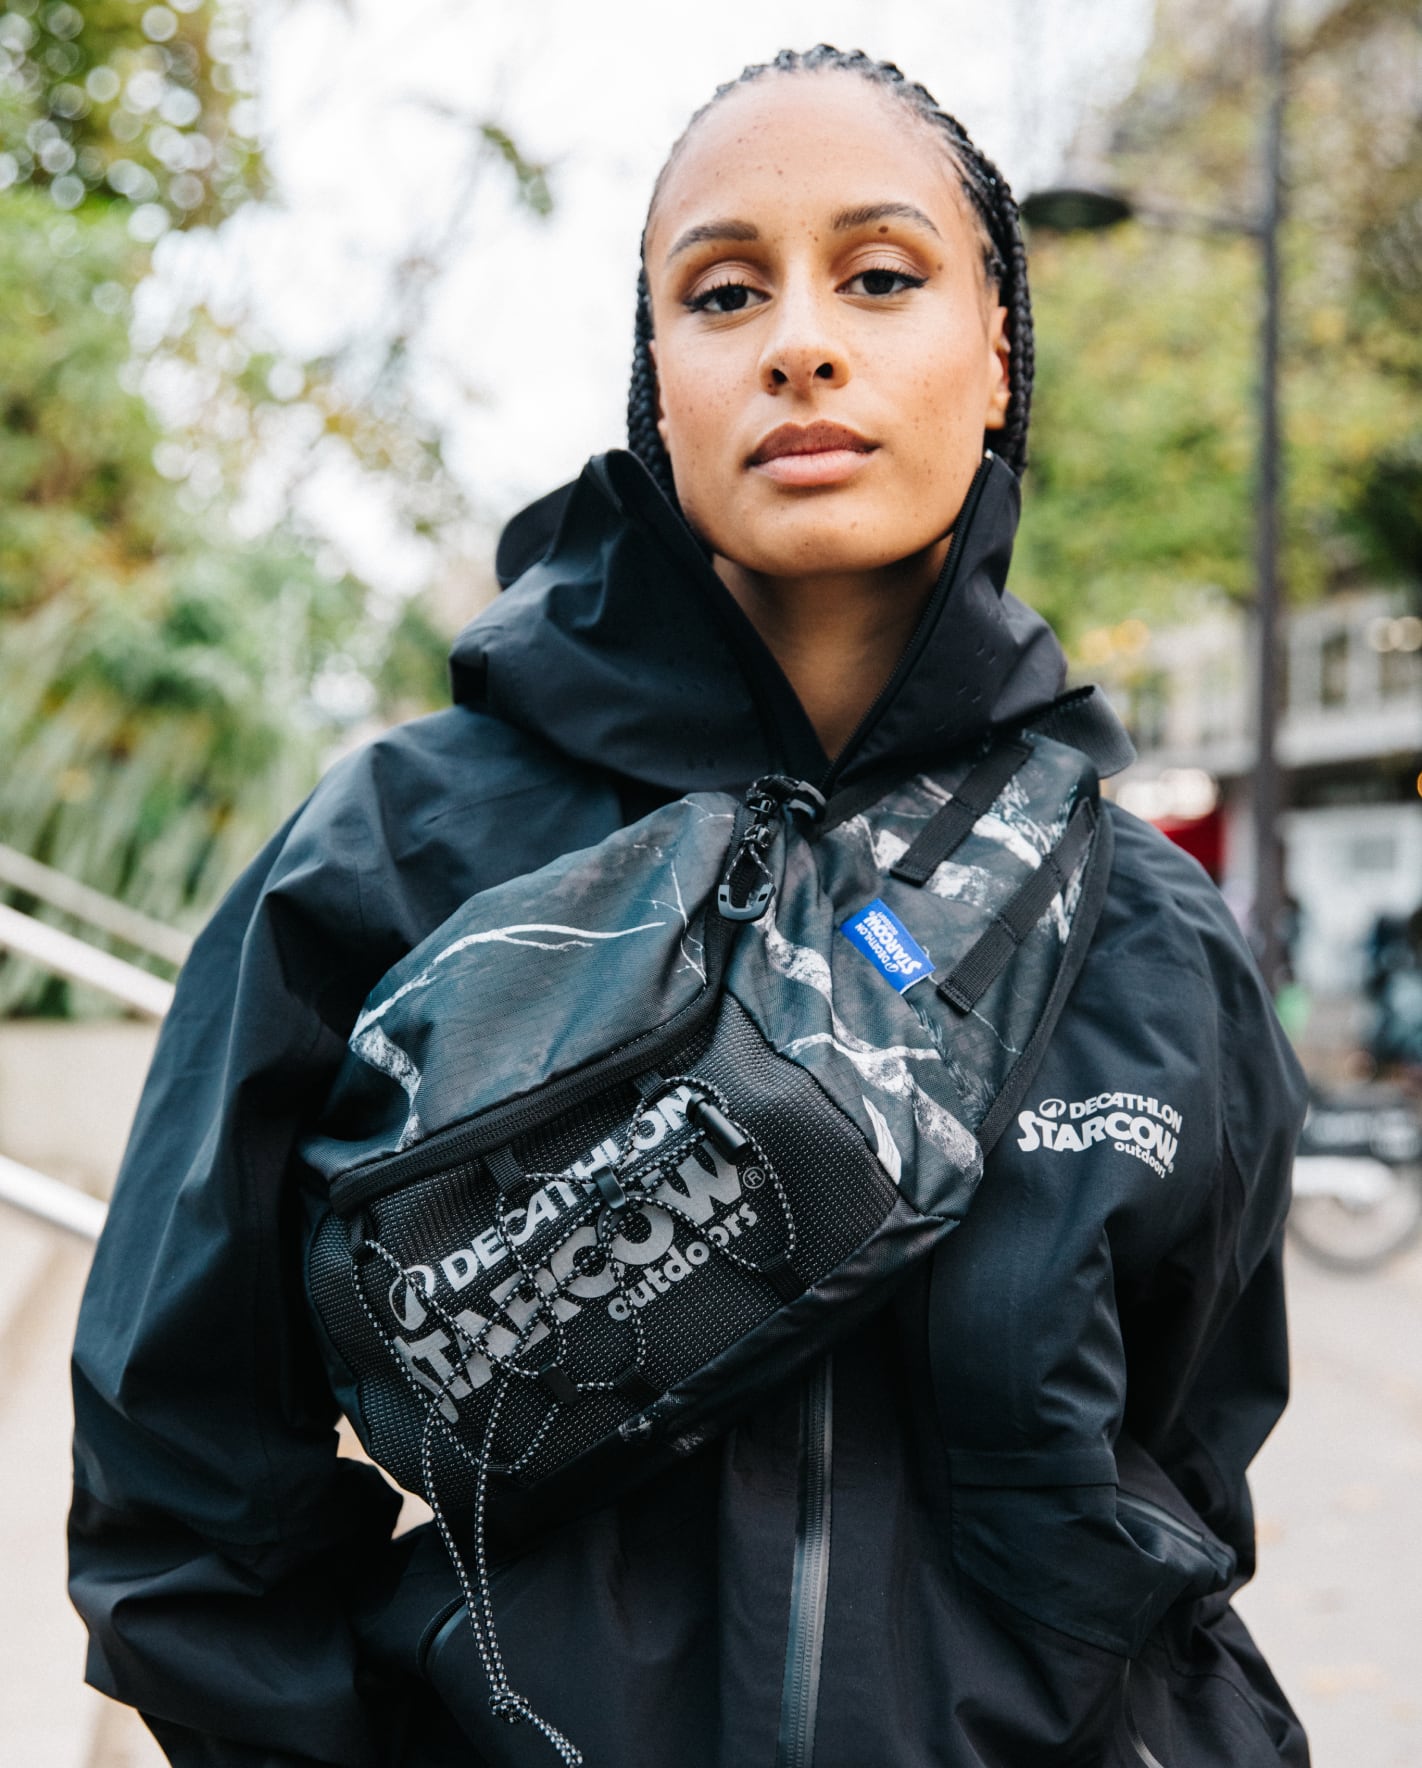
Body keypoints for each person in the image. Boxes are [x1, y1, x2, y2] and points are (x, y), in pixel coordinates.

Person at [69, 45, 1310, 1768]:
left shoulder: (1149, 932)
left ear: (994, 356)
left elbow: (1173, 1507)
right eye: (724, 292)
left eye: (881, 276)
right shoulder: (396, 855)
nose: (800, 340)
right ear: (657, 376)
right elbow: (182, 1491)